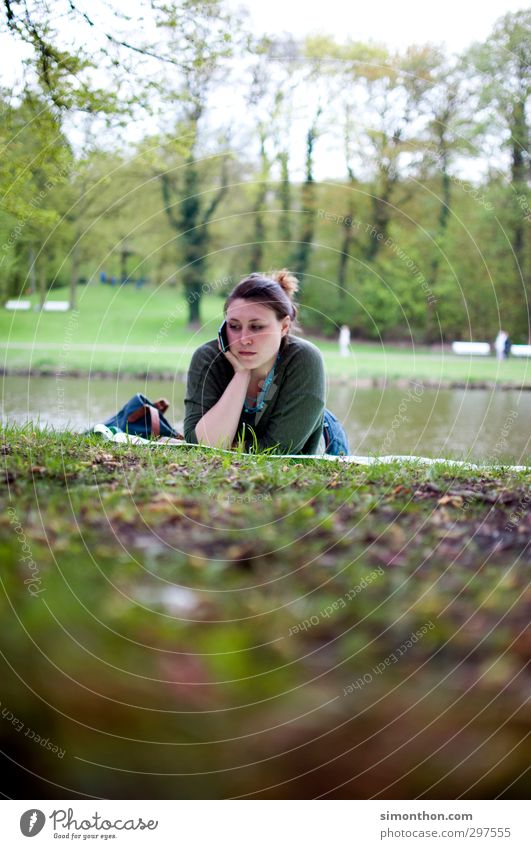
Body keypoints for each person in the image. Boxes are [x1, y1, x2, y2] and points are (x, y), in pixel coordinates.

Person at [184, 269, 349, 455]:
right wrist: (242, 374)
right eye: (234, 326)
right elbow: (201, 444)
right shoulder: (207, 357)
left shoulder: (304, 358)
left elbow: (279, 450)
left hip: (323, 441)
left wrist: (228, 448)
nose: (243, 339)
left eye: (256, 327)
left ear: (284, 326)